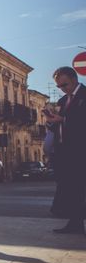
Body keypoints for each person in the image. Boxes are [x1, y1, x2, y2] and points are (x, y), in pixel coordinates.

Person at [45, 66, 86, 234]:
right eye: (59, 87)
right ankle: (75, 223)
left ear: (74, 79)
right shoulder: (62, 102)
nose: (62, 89)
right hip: (65, 152)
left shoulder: (84, 95)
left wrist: (64, 119)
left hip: (82, 150)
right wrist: (51, 121)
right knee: (73, 189)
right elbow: (58, 127)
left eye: (65, 85)